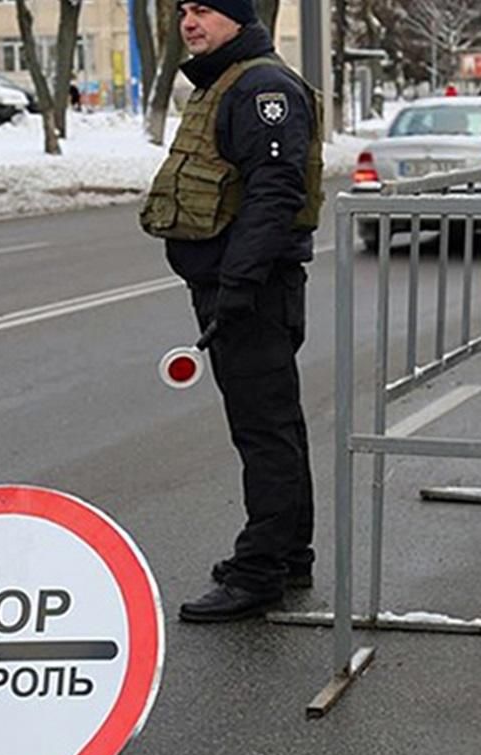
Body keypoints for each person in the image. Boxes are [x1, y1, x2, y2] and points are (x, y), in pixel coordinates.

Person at [139, 0, 324, 621]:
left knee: (263, 430)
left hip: (252, 289)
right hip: (243, 284)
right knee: (277, 424)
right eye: (185, 10)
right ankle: (288, 552)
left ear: (238, 19)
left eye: (205, 11)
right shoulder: (227, 80)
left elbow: (276, 191)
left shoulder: (261, 87)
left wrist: (239, 284)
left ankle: (259, 573)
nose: (190, 22)